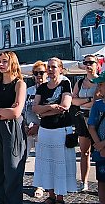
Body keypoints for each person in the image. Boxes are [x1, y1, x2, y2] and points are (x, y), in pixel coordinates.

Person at [0, 51, 27, 203]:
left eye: (5, 61)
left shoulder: (20, 84)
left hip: (13, 129)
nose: (1, 64)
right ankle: (1, 200)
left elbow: (15, 113)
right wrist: (1, 114)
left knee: (13, 170)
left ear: (13, 63)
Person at [32, 57, 77, 204]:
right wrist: (51, 108)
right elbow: (34, 108)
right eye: (48, 67)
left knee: (60, 164)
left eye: (53, 67)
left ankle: (59, 197)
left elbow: (65, 106)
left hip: (60, 130)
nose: (50, 70)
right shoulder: (42, 87)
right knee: (47, 164)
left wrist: (43, 111)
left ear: (60, 69)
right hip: (45, 131)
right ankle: (50, 195)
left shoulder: (65, 84)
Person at [72, 54, 99, 192]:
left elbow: (98, 103)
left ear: (97, 64)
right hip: (83, 119)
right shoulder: (79, 82)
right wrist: (89, 100)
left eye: (91, 62)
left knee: (102, 150)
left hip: (98, 119)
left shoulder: (101, 81)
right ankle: (84, 182)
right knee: (85, 152)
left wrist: (83, 101)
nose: (88, 65)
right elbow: (73, 101)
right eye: (85, 62)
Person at [23, 60, 48, 198]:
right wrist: (25, 125)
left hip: (42, 129)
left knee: (41, 159)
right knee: (22, 157)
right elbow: (23, 110)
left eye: (41, 72)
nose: (39, 75)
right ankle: (16, 182)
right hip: (28, 129)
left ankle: (40, 185)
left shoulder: (49, 90)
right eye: (36, 73)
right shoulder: (29, 90)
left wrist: (39, 126)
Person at [87, 72, 105, 204]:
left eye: (101, 84)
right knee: (102, 181)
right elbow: (91, 126)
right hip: (101, 151)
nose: (99, 88)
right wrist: (99, 145)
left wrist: (103, 144)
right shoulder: (97, 105)